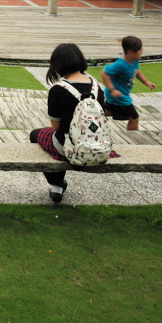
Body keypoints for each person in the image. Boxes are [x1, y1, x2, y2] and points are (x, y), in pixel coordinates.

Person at [29, 43, 107, 204]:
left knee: (38, 135)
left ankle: (56, 185)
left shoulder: (58, 89)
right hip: (98, 143)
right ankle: (57, 187)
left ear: (57, 65)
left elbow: (56, 127)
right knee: (61, 137)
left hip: (70, 146)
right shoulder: (96, 86)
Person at [101, 36, 156, 131]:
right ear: (130, 52)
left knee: (108, 112)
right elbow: (104, 73)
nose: (142, 51)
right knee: (134, 118)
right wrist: (112, 89)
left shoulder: (134, 60)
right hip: (119, 96)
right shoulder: (121, 64)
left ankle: (92, 115)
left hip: (120, 94)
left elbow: (136, 70)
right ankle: (133, 140)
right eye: (139, 50)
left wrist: (146, 82)